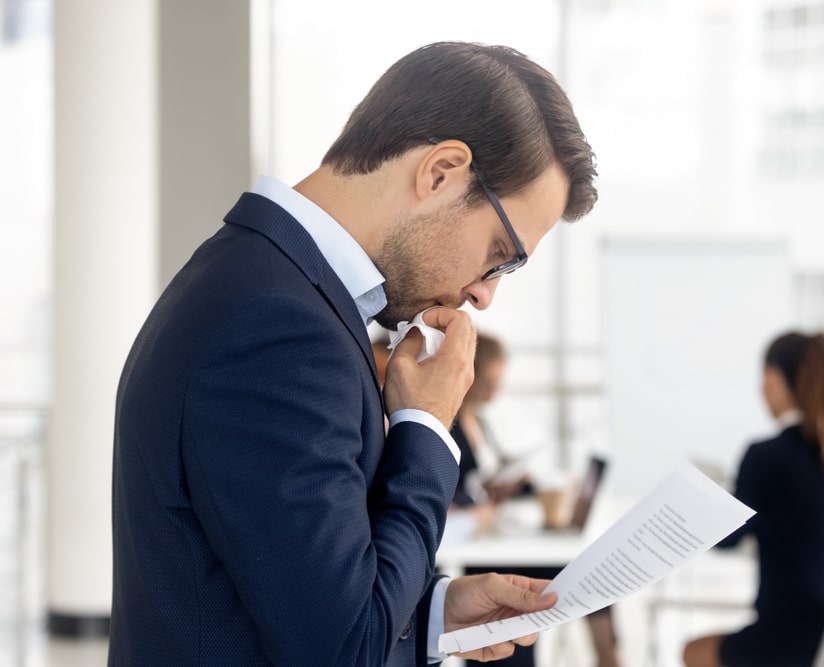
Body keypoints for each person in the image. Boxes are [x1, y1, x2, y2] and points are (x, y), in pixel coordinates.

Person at [109, 41, 598, 666]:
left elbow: (289, 594)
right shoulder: (282, 327)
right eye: (499, 253)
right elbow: (344, 651)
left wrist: (434, 613)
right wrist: (425, 425)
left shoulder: (265, 281)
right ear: (442, 171)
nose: (484, 294)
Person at [683, 332, 824, 667]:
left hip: (794, 640)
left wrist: (694, 505)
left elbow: (727, 540)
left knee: (693, 652)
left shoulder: (767, 455)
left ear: (773, 379)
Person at [447, 332, 621, 667]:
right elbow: (453, 491)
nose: (495, 389)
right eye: (490, 380)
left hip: (489, 536)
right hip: (473, 546)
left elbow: (481, 478)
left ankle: (608, 656)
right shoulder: (451, 424)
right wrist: (482, 499)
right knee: (541, 585)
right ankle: (607, 657)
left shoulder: (480, 420)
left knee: (586, 568)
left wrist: (514, 483)